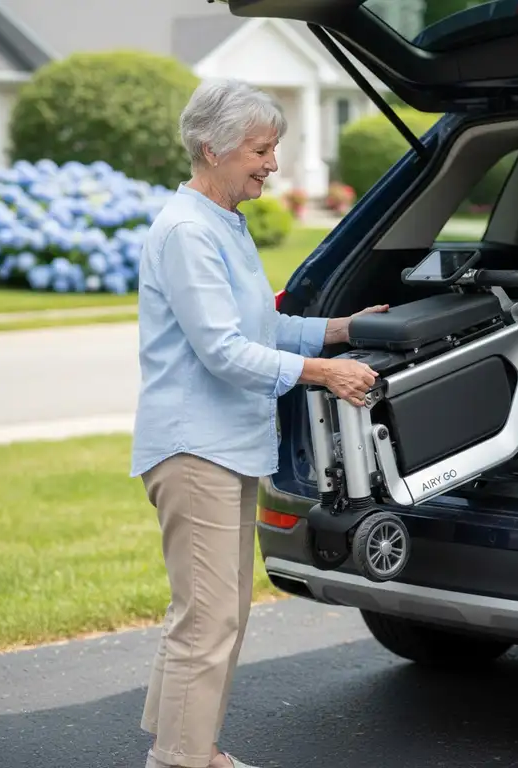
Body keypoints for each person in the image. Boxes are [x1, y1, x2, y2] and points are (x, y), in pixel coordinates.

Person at [130, 79, 388, 768]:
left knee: (213, 612)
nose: (273, 163)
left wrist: (343, 329)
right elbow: (222, 350)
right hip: (194, 449)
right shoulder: (188, 232)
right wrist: (324, 373)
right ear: (212, 149)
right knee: (209, 616)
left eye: (274, 148)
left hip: (226, 447)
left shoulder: (222, 223)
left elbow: (261, 328)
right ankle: (182, 759)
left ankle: (185, 747)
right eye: (260, 149)